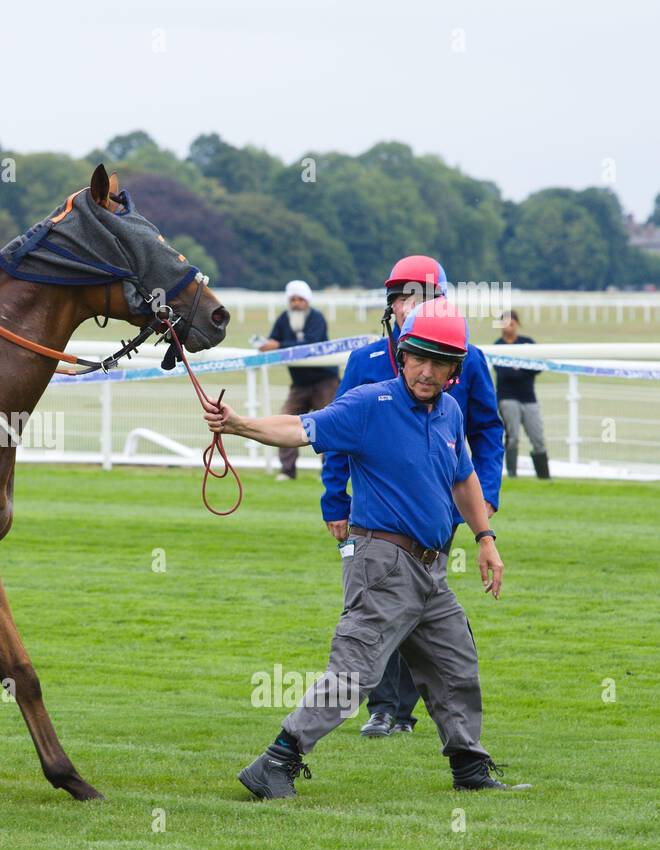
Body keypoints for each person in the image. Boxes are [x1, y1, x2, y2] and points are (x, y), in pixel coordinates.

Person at [207, 298, 529, 797]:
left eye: (438, 361)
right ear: (402, 356)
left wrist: (486, 539)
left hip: (432, 570)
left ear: (453, 370)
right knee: (354, 674)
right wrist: (239, 424)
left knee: (455, 665)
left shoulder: (447, 411)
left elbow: (464, 478)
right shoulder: (368, 404)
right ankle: (276, 761)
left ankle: (469, 770)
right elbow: (301, 427)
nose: (425, 370)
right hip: (382, 564)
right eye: (417, 357)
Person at [321, 255, 503, 737]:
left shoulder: (470, 359)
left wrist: (486, 506)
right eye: (402, 297)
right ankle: (385, 709)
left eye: (420, 297)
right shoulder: (364, 363)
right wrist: (333, 500)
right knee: (381, 607)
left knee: (427, 612)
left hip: (447, 509)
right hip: (380, 513)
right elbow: (336, 432)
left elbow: (487, 430)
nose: (408, 306)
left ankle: (431, 724)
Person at [258, 279, 339, 480]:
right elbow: (272, 340)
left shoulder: (317, 318)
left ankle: (328, 471)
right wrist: (266, 345)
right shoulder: (284, 319)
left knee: (328, 426)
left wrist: (278, 346)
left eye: (300, 299)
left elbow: (309, 346)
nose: (296, 303)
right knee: (285, 421)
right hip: (299, 384)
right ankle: (287, 470)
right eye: (292, 299)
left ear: (307, 300)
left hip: (325, 381)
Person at [494, 310, 549, 479]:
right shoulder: (498, 346)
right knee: (513, 437)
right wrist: (523, 370)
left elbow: (538, 366)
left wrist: (516, 371)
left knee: (537, 437)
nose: (509, 327)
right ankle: (512, 474)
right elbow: (502, 372)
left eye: (512, 323)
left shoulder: (527, 343)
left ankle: (544, 476)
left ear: (517, 324)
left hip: (529, 398)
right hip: (507, 397)